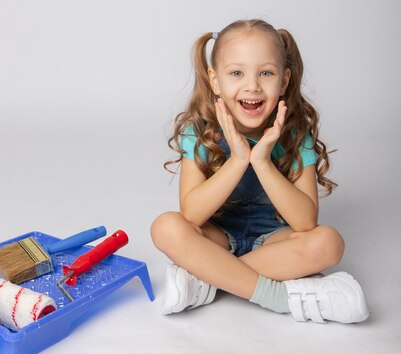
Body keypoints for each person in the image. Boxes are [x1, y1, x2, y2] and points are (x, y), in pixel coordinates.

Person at [150, 19, 369, 324]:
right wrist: (238, 159)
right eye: (236, 73)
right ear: (215, 81)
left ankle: (209, 278)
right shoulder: (199, 131)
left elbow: (305, 222)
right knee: (166, 227)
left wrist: (262, 161)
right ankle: (279, 298)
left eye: (265, 73)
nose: (252, 85)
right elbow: (191, 216)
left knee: (328, 243)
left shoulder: (294, 133)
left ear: (284, 81)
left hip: (275, 240)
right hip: (219, 237)